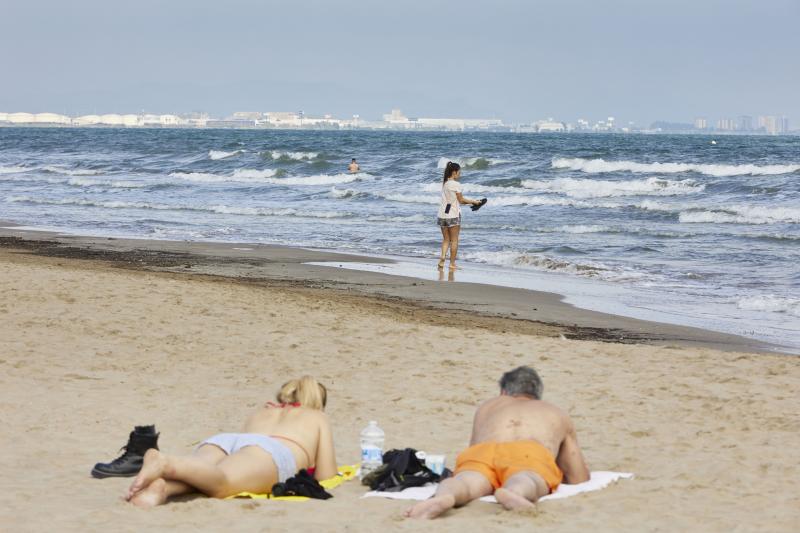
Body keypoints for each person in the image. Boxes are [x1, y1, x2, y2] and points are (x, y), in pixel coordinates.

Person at [406, 366, 589, 519]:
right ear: (537, 394)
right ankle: (515, 492)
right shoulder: (554, 411)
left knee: (466, 481)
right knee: (526, 478)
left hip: (483, 451)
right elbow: (578, 477)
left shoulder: (488, 406)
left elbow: (474, 445)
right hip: (528, 452)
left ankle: (446, 495)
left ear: (503, 391)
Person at [125, 376, 337, 507]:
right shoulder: (318, 417)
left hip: (228, 441)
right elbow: (326, 475)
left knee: (206, 475)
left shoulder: (264, 412)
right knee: (224, 484)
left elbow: (244, 446)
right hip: (272, 450)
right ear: (319, 402)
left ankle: (163, 489)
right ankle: (166, 463)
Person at [437, 161, 482, 271]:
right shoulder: (456, 184)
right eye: (459, 172)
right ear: (454, 172)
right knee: (454, 240)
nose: (460, 174)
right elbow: (461, 200)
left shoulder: (445, 183)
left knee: (446, 240)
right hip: (453, 214)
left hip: (442, 215)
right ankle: (452, 264)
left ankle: (442, 258)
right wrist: (474, 202)